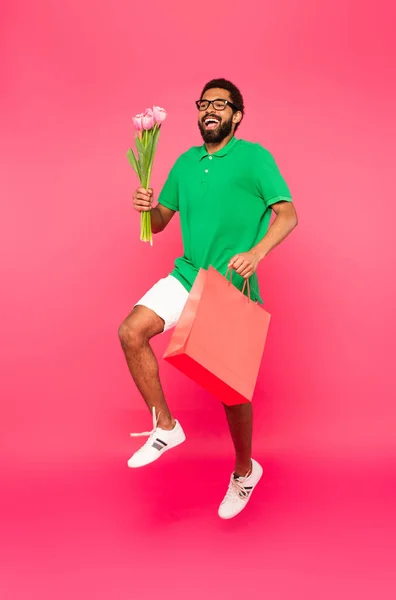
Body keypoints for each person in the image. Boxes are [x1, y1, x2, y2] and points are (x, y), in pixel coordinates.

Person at [118, 78, 298, 519]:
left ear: (236, 115)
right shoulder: (184, 162)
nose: (210, 109)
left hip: (229, 287)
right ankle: (165, 425)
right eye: (204, 103)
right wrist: (147, 206)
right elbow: (160, 223)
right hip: (187, 275)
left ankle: (243, 471)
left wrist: (255, 254)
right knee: (131, 331)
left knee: (230, 391)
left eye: (221, 103)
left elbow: (288, 214)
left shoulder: (255, 159)